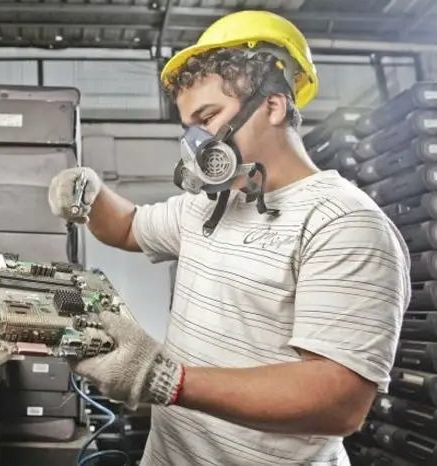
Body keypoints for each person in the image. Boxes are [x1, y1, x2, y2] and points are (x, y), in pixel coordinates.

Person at [47, 9, 411, 466]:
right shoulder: (210, 207)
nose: (197, 143)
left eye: (209, 116)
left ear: (273, 105)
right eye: (189, 128)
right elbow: (126, 226)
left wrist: (165, 379)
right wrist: (90, 194)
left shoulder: (343, 222)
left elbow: (338, 400)